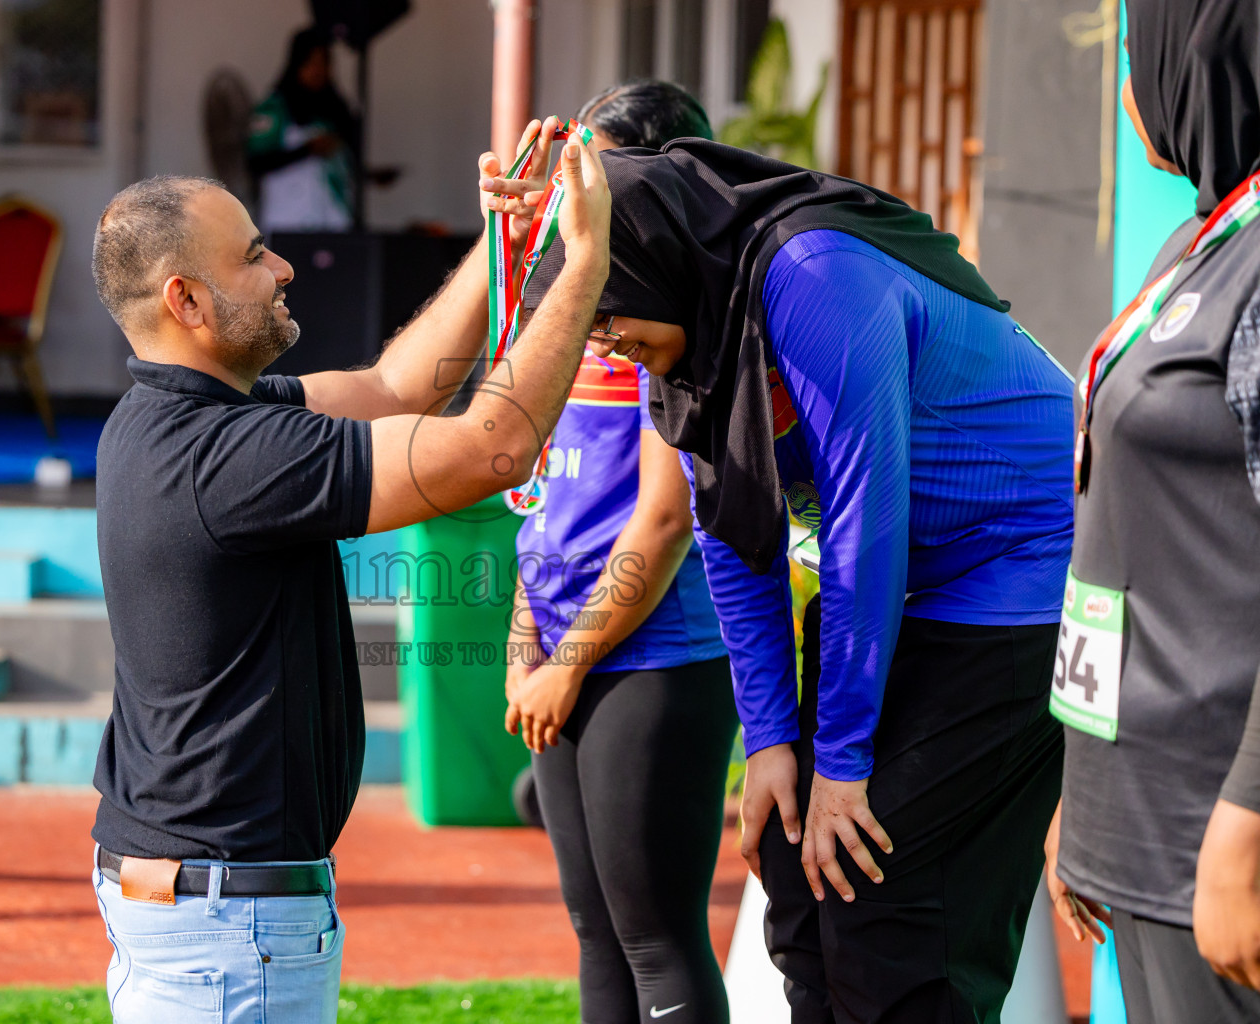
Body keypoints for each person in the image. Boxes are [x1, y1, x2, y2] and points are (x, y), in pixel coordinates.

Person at [495, 137, 1077, 1020]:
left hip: (1007, 582)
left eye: (607, 317)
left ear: (651, 257)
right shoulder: (694, 337)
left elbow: (863, 524)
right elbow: (733, 543)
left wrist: (841, 761)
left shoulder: (813, 276)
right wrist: (770, 744)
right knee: (797, 881)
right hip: (901, 590)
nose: (607, 344)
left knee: (887, 899)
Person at [87, 124, 610, 1024]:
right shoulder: (231, 456)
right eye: (253, 257)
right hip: (228, 918)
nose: (283, 266)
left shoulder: (168, 417)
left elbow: (398, 386)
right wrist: (588, 261)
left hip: (201, 902)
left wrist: (505, 250)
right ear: (189, 300)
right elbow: (497, 448)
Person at [497, 81, 737, 1024]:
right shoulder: (565, 302)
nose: (568, 190)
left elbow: (663, 523)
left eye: (586, 169)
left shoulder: (682, 318)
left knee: (656, 937)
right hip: (559, 650)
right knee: (595, 933)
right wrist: (527, 641)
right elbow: (542, 501)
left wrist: (566, 661)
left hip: (654, 656)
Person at [1045, 0, 1260, 1016]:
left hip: (1215, 839)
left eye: (1139, 50)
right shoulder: (1203, 240)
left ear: (1203, 58)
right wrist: (1083, 798)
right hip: (1141, 822)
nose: (1128, 83)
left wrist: (1244, 830)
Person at [247, 27, 360, 232]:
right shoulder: (274, 109)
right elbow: (257, 162)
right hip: (288, 222)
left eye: (324, 63)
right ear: (296, 64)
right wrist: (307, 150)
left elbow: (341, 168)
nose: (318, 70)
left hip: (333, 223)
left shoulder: (336, 111)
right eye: (311, 62)